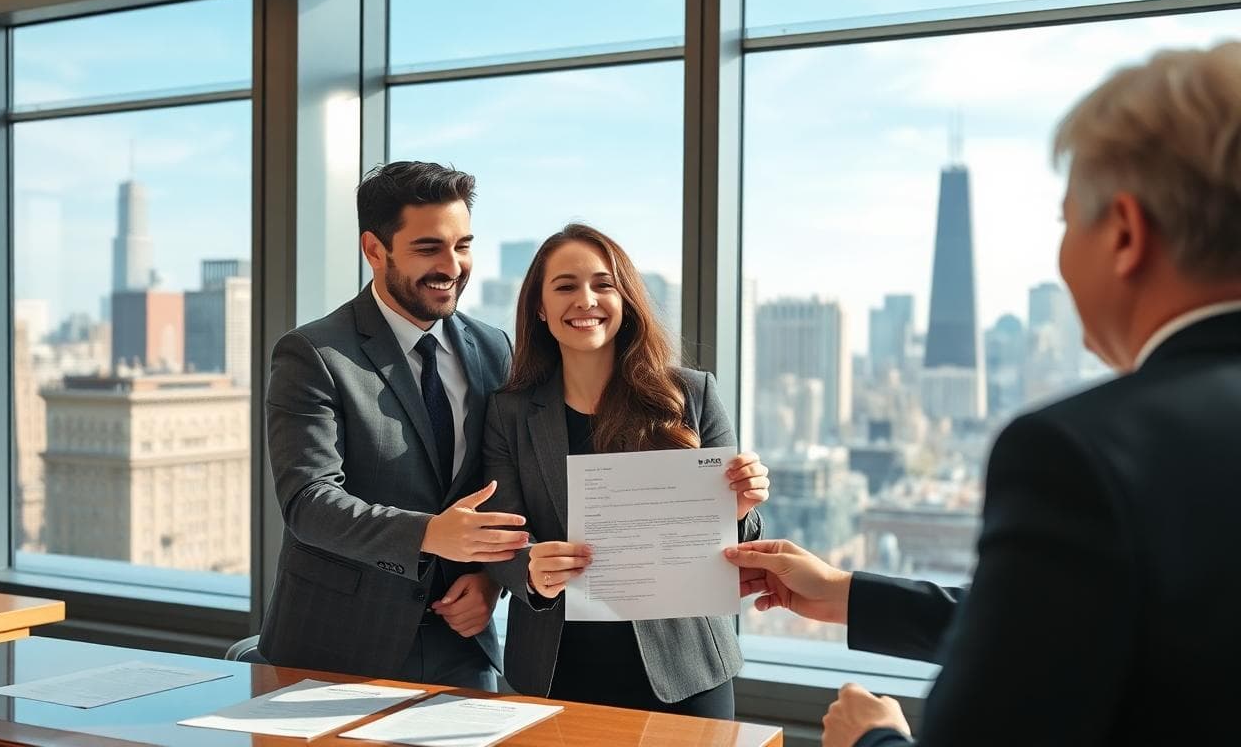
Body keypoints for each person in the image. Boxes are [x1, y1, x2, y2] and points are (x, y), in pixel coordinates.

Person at [726, 41, 1241, 746]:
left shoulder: (1080, 453)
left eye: (1066, 221)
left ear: (1125, 232)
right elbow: (1081, 620)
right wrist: (848, 595)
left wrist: (872, 738)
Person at [482, 223, 771, 718]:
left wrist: (739, 508)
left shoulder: (691, 394)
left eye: (603, 284)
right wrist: (531, 569)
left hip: (685, 667)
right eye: (566, 286)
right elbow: (499, 536)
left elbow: (740, 540)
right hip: (558, 666)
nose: (586, 299)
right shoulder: (509, 413)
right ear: (539, 307)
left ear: (626, 299)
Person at [258, 161, 528, 690]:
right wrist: (429, 535)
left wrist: (490, 579)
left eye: (463, 245)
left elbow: (507, 484)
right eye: (429, 248)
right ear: (374, 250)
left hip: (462, 644)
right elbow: (307, 503)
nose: (452, 266)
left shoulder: (495, 348)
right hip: (336, 648)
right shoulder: (314, 353)